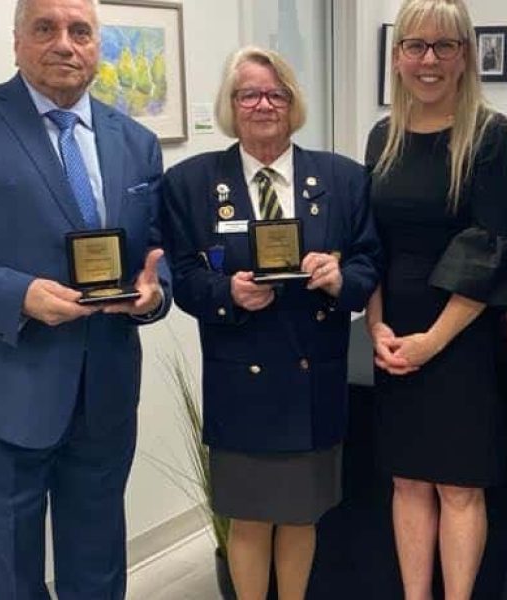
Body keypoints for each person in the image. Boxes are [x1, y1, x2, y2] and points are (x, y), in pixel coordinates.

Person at [0, 0, 169, 596]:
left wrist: (153, 293)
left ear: (98, 44)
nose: (64, 44)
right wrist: (18, 295)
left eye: (80, 31)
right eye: (45, 28)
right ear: (17, 40)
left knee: (97, 565)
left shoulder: (137, 141)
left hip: (105, 387)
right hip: (4, 385)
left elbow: (156, 247)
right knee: (13, 574)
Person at [159, 47, 381, 600]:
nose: (263, 105)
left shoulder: (343, 178)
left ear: (293, 102)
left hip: (313, 375)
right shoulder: (190, 183)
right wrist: (225, 292)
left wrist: (338, 277)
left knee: (302, 517)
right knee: (251, 519)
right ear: (231, 106)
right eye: (249, 94)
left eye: (275, 94)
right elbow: (181, 276)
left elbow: (369, 262)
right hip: (241, 376)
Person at [364, 1, 507, 598]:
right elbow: (370, 242)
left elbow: (493, 246)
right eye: (415, 46)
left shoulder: (490, 135)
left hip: (461, 334)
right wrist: (374, 326)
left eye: (443, 46)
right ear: (397, 56)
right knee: (407, 481)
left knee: (459, 487)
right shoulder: (381, 135)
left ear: (465, 56)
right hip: (396, 334)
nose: (428, 60)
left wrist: (433, 341)